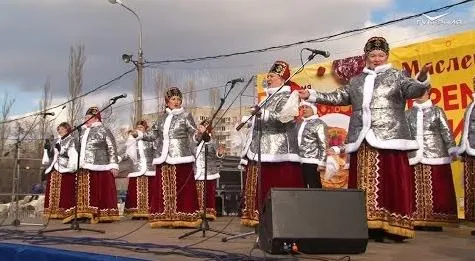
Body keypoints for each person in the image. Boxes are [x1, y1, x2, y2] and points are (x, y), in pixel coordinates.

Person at [299, 36, 430, 241]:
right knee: (362, 181)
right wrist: (311, 95)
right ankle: (366, 225)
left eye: (380, 55)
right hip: (362, 137)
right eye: (372, 55)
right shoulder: (357, 80)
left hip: (390, 136)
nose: (377, 59)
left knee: (391, 181)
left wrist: (421, 79)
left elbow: (413, 90)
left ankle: (393, 227)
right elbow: (338, 97)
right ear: (366, 57)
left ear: (386, 56)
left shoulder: (397, 76)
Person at [240, 60, 304, 227]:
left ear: (282, 79)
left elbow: (286, 118)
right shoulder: (268, 97)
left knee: (276, 185)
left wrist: (264, 113)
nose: (268, 79)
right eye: (268, 76)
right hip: (260, 148)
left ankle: (281, 220)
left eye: (272, 76)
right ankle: (258, 217)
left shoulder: (289, 96)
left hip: (279, 150)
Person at [134, 87, 204, 228]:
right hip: (163, 157)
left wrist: (200, 135)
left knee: (182, 188)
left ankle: (183, 217)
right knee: (164, 188)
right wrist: (140, 135)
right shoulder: (161, 119)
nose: (176, 102)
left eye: (178, 99)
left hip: (181, 156)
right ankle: (165, 217)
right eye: (173, 99)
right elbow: (153, 135)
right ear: (167, 102)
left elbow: (193, 133)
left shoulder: (186, 116)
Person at [406, 88, 458, 230]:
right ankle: (416, 219)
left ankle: (435, 220)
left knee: (437, 187)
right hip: (414, 155)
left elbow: (446, 131)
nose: (420, 95)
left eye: (423, 92)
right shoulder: (408, 114)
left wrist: (452, 148)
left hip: (436, 154)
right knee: (414, 186)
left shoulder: (437, 111)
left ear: (429, 93)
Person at [63, 106, 120, 224]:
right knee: (82, 191)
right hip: (82, 166)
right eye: (86, 117)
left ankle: (96, 214)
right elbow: (74, 147)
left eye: (90, 117)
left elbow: (111, 147)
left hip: (98, 166)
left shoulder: (103, 130)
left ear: (96, 118)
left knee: (96, 191)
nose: (87, 119)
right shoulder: (81, 132)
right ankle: (81, 214)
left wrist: (114, 164)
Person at [42, 122, 78, 219]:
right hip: (54, 167)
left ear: (67, 129)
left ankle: (64, 211)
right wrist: (48, 149)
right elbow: (51, 155)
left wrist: (61, 150)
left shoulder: (71, 140)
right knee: (52, 190)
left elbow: (73, 154)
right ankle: (52, 211)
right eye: (59, 129)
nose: (60, 130)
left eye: (62, 128)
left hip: (65, 168)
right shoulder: (55, 140)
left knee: (64, 191)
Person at [123, 120, 155, 219]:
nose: (139, 129)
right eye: (138, 127)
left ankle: (150, 211)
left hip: (149, 168)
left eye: (141, 127)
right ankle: (135, 212)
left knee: (150, 190)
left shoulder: (150, 140)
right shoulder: (132, 140)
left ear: (145, 129)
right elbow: (126, 152)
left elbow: (156, 151)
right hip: (136, 169)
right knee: (136, 191)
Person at [194, 119, 224, 221]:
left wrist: (219, 153)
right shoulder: (197, 141)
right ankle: (198, 212)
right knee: (198, 193)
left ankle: (208, 213)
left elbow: (217, 155)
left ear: (207, 130)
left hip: (209, 172)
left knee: (208, 193)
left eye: (201, 127)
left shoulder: (212, 141)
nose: (199, 129)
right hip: (197, 171)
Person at [457, 77, 475, 236]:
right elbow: (467, 129)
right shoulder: (471, 105)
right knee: (472, 190)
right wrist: (462, 149)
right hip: (471, 151)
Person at [296, 101, 327, 188]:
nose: (304, 109)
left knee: (313, 187)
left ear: (313, 109)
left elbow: (323, 144)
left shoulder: (319, 124)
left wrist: (322, 162)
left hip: (312, 161)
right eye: (302, 107)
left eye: (307, 107)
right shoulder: (299, 123)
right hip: (299, 161)